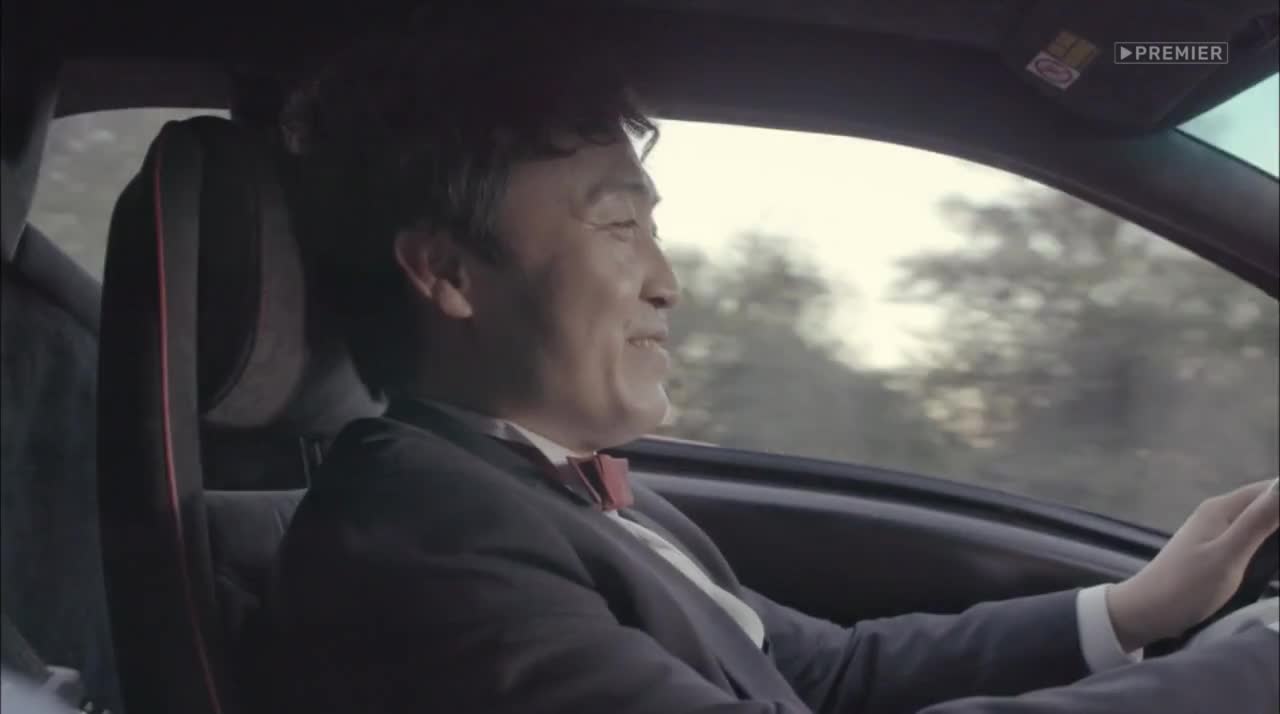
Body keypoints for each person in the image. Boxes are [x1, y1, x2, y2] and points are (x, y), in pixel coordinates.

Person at [262, 9, 1280, 713]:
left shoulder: (546, 493)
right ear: (447, 272)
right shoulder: (421, 538)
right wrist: (1254, 670)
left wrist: (1136, 609)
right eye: (617, 224)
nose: (667, 283)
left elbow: (821, 676)